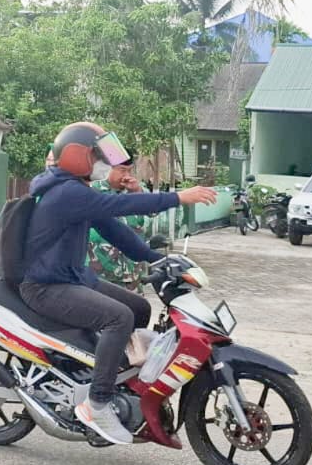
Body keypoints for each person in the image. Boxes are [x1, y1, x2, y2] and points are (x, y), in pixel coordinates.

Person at [21, 122, 218, 446]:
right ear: (77, 157)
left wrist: (157, 259)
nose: (106, 165)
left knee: (138, 307)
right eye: (99, 157)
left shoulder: (76, 191)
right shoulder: (66, 192)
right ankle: (97, 403)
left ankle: (112, 378)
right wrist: (179, 197)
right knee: (119, 318)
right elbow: (120, 206)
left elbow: (118, 232)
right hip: (46, 286)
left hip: (71, 277)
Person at [86, 162, 150, 291]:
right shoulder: (91, 191)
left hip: (132, 275)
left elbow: (154, 210)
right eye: (122, 170)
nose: (126, 175)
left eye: (129, 171)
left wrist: (137, 192)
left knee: (135, 310)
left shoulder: (136, 191)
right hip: (100, 274)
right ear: (108, 169)